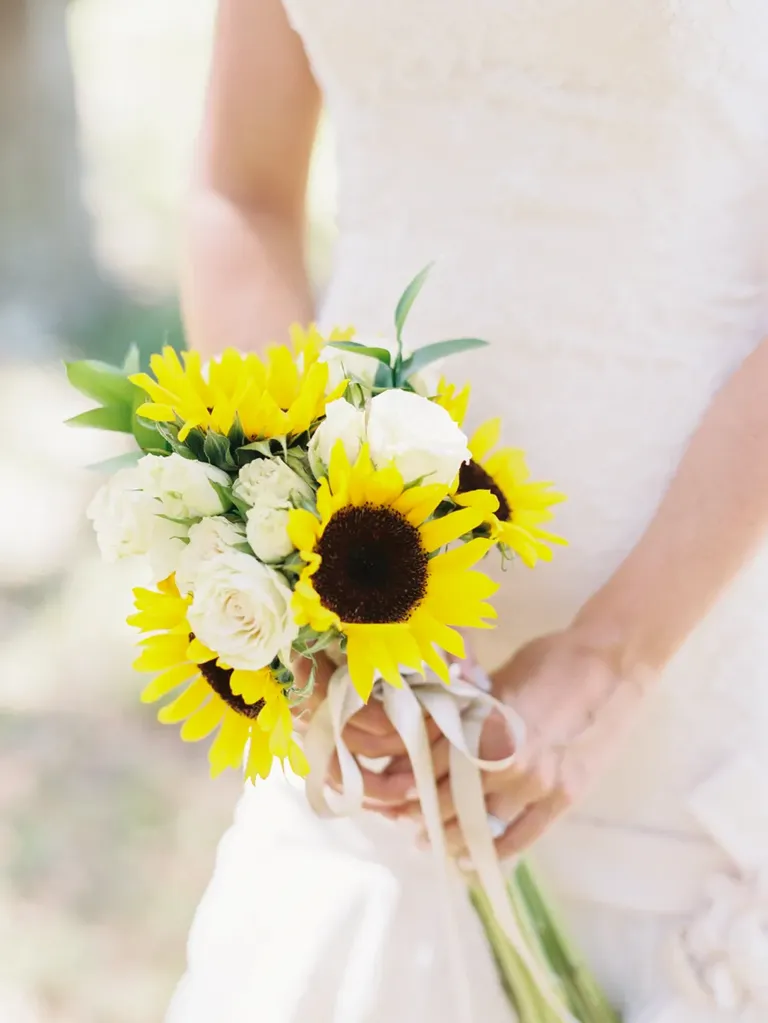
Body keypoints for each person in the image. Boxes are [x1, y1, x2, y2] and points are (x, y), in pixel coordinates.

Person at [167, 2, 768, 1020]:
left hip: (703, 641)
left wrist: (612, 659)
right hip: (368, 674)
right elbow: (243, 192)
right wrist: (292, 541)